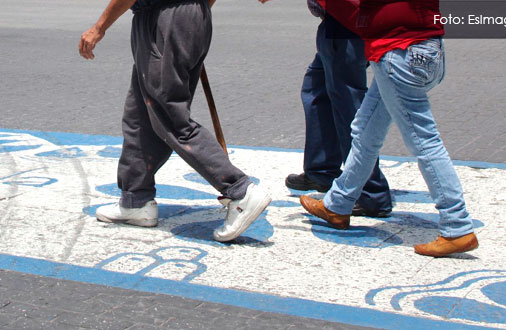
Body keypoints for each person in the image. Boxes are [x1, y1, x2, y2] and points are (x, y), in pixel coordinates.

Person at [79, 0, 271, 242]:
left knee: (170, 116)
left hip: (163, 16)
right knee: (140, 114)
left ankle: (239, 190)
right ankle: (135, 200)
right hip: (187, 16)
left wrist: (99, 27)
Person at [299, 0, 479, 257]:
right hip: (423, 48)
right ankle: (338, 204)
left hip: (400, 52)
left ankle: (457, 225)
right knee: (365, 130)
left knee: (423, 139)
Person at [259, 0, 393, 218]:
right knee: (317, 88)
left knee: (348, 105)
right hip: (344, 19)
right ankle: (321, 171)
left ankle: (369, 192)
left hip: (347, 18)